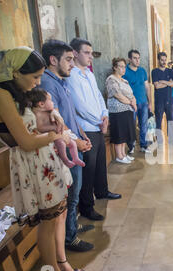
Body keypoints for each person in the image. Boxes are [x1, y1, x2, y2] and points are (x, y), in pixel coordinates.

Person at [0, 47, 80, 271]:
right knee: (47, 223)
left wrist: (54, 117)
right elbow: (25, 141)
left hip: (43, 160)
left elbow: (39, 119)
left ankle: (61, 262)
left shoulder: (22, 91)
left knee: (58, 216)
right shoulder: (2, 95)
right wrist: (58, 134)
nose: (37, 82)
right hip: (31, 163)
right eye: (34, 77)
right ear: (14, 72)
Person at [40, 39, 94, 253]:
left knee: (75, 193)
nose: (72, 64)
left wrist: (81, 134)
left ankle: (72, 226)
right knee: (70, 196)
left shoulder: (61, 80)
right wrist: (76, 141)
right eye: (68, 59)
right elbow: (52, 124)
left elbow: (69, 114)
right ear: (53, 60)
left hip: (73, 141)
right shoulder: (48, 84)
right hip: (62, 150)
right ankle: (70, 237)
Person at [67, 38, 121, 222]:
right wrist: (99, 121)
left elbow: (98, 95)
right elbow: (79, 105)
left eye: (91, 53)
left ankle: (102, 191)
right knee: (88, 169)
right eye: (87, 53)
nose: (91, 56)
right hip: (86, 128)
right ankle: (87, 207)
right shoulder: (72, 75)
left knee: (99, 164)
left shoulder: (88, 73)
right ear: (75, 53)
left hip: (99, 124)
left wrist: (105, 115)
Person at [29, 89, 85, 168]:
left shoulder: (50, 112)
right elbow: (40, 128)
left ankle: (75, 158)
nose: (53, 102)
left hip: (59, 134)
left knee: (72, 143)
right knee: (61, 144)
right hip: (53, 136)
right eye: (50, 100)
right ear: (41, 104)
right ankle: (65, 159)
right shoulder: (38, 114)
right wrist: (54, 128)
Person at [105, 58, 137, 164]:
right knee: (119, 134)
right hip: (117, 112)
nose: (123, 69)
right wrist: (131, 102)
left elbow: (131, 94)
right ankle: (119, 156)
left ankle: (123, 154)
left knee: (124, 134)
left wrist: (134, 101)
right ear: (115, 67)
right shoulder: (111, 79)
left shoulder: (125, 80)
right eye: (121, 66)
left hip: (127, 110)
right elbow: (118, 95)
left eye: (124, 66)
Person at [123, 49, 152, 153]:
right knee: (131, 125)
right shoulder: (125, 71)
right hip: (131, 103)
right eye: (135, 58)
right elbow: (122, 87)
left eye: (138, 58)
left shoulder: (142, 70)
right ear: (129, 59)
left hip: (143, 102)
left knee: (143, 124)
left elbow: (147, 87)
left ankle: (143, 145)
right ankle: (131, 146)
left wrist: (150, 102)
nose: (137, 60)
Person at [151, 52, 173, 139]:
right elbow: (157, 86)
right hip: (159, 100)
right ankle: (159, 140)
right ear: (158, 60)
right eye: (162, 60)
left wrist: (163, 81)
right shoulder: (154, 71)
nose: (164, 62)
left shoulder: (170, 71)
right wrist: (169, 83)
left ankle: (171, 139)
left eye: (165, 60)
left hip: (169, 99)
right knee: (158, 119)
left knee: (171, 120)